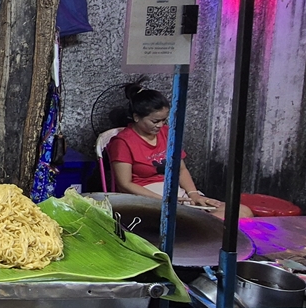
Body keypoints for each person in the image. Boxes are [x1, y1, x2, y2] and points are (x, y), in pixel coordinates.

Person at [106, 85, 250, 219]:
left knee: (243, 212)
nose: (160, 125)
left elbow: (180, 170)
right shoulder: (123, 142)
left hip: (176, 192)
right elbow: (125, 184)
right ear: (136, 117)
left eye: (164, 120)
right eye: (155, 121)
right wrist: (164, 200)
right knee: (215, 221)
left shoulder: (167, 133)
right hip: (147, 197)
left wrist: (194, 194)